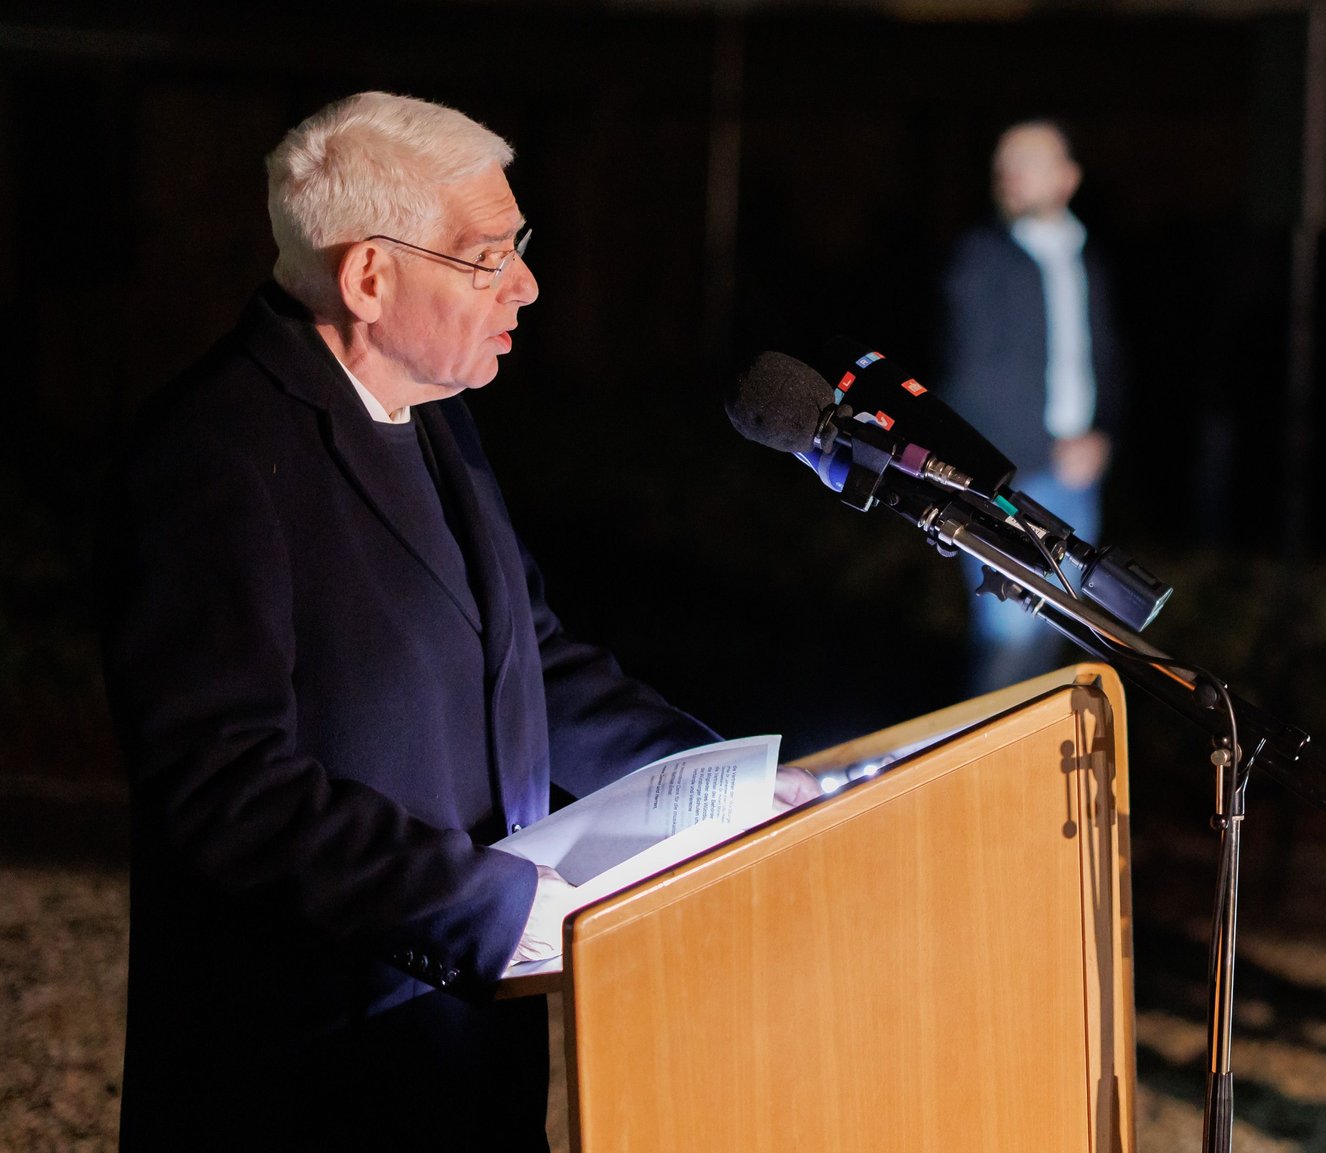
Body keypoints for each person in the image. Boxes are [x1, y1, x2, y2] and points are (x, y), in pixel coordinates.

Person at [98, 92, 816, 1152]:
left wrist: (730, 784)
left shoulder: (438, 412)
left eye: (516, 244)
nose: (524, 283)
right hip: (310, 1065)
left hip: (464, 1031)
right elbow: (224, 783)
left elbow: (534, 661)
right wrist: (483, 904)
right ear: (369, 277)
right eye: (486, 255)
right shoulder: (210, 453)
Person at [939, 119, 1124, 695]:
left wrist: (1103, 434)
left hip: (1078, 473)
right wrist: (1048, 450)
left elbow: (1105, 358)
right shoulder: (983, 257)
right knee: (1009, 641)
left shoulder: (1084, 256)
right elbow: (970, 379)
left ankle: (1026, 775)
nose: (1010, 176)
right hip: (1014, 480)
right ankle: (974, 775)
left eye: (1028, 162)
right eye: (1005, 162)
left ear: (1068, 178)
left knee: (1058, 636)